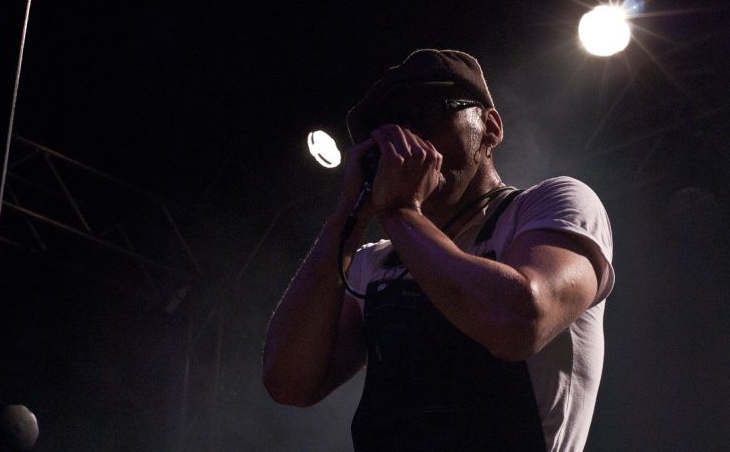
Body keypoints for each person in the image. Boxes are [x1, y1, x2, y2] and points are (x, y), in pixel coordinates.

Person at [262, 49, 614, 451]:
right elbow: (288, 383)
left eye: (426, 114)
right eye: (386, 132)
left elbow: (519, 323)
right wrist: (348, 215)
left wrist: (400, 210)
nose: (408, 142)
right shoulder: (374, 261)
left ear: (490, 127)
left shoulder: (549, 205)